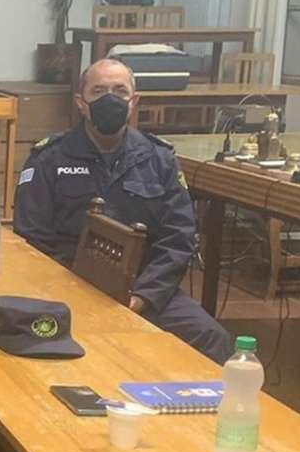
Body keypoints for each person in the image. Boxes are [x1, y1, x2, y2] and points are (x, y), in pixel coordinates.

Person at [14, 58, 233, 364]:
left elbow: (179, 238)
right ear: (81, 102)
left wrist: (142, 297)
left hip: (144, 290)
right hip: (67, 288)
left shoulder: (159, 159)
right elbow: (30, 238)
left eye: (119, 91)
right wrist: (72, 289)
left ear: (134, 101)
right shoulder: (49, 158)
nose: (110, 99)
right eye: (98, 91)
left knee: (212, 339)